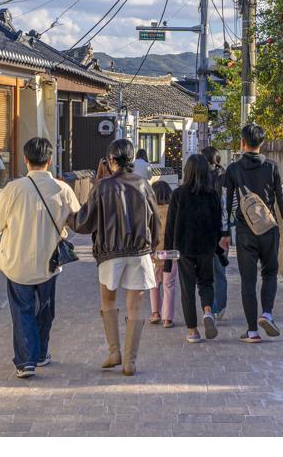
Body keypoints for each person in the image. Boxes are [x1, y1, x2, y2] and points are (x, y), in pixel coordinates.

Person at [0, 137, 81, 378]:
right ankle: (40, 354)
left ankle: (26, 361)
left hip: (17, 261)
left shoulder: (13, 189)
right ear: (50, 160)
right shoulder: (63, 188)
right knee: (45, 310)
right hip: (49, 262)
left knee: (22, 310)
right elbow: (79, 218)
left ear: (25, 160)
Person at [70, 138, 160, 375]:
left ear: (110, 160)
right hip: (139, 251)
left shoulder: (102, 187)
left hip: (110, 252)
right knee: (135, 307)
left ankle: (114, 352)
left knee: (108, 301)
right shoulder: (143, 185)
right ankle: (130, 361)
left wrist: (66, 215)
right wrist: (154, 249)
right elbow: (155, 221)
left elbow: (84, 222)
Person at [221, 123, 283, 343]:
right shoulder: (273, 167)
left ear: (242, 143)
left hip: (245, 232)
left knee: (248, 280)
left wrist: (225, 232)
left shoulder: (233, 169)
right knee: (270, 273)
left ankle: (252, 331)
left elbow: (225, 203)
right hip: (269, 230)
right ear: (261, 143)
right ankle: (268, 313)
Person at [164, 154, 222, 343]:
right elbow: (217, 224)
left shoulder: (178, 194)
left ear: (187, 171)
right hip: (206, 247)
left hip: (184, 248)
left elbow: (170, 227)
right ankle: (207, 311)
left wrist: (167, 260)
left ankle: (192, 331)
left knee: (187, 289)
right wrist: (217, 248)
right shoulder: (213, 194)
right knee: (206, 282)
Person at [201, 146, 229, 320]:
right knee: (220, 270)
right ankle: (219, 306)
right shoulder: (226, 176)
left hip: (206, 229)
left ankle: (211, 307)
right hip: (222, 230)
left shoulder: (202, 179)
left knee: (207, 271)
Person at [148, 180, 177, 328]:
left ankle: (155, 313)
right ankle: (167, 318)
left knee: (154, 284)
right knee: (169, 285)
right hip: (171, 253)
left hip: (154, 254)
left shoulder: (150, 211)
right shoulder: (174, 210)